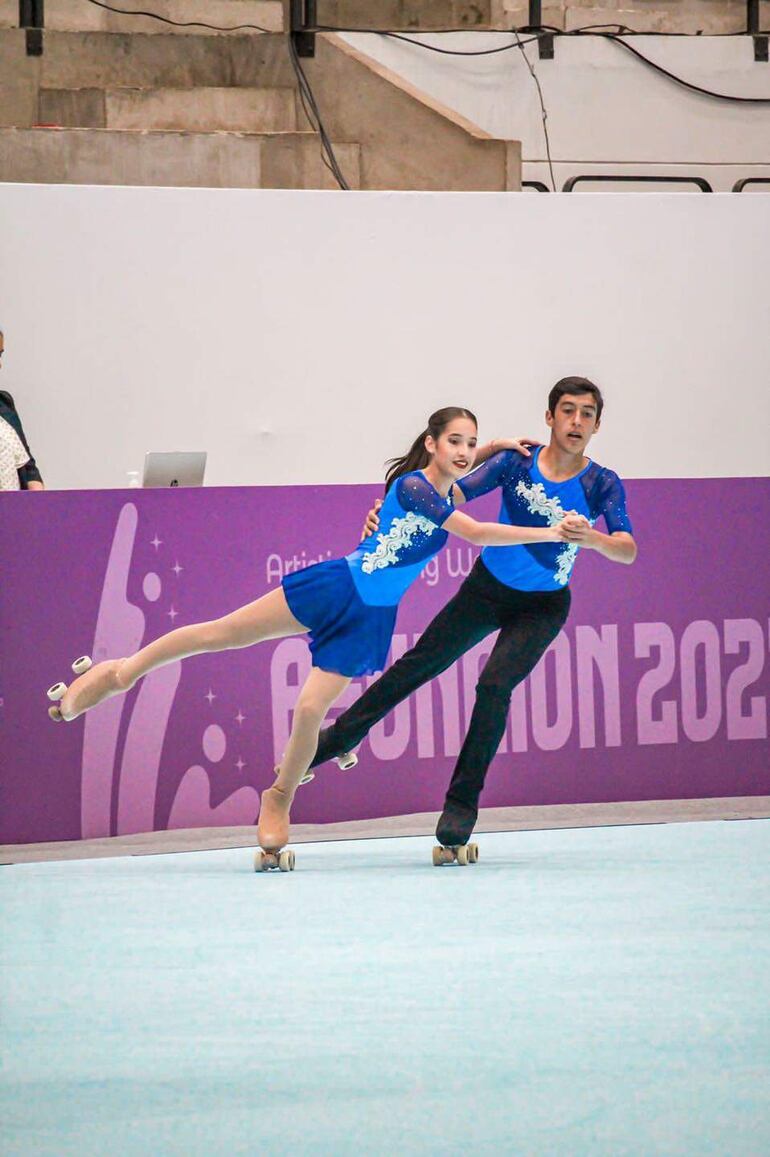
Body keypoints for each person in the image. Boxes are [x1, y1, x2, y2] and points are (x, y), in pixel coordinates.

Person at [46, 407, 573, 865]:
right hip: (337, 585)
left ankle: (278, 796)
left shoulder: (450, 488)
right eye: (452, 441)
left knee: (308, 711)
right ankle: (119, 672)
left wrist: (496, 446)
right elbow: (477, 532)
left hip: (370, 617)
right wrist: (552, 532)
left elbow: (467, 479)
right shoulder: (412, 486)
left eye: (468, 441)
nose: (462, 451)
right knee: (221, 633)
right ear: (430, 444)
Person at [308, 377, 638, 853]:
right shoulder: (514, 464)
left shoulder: (602, 482)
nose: (576, 421)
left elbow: (627, 549)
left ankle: (461, 805)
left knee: (494, 685)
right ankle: (340, 737)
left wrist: (595, 540)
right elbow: (445, 496)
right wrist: (391, 511)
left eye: (587, 414)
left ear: (597, 425)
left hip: (543, 606)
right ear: (549, 418)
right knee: (423, 661)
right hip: (487, 590)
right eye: (567, 411)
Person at [0, 329, 45, 491]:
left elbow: (28, 468)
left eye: (0, 355)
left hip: (12, 511)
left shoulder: (4, 403)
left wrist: (39, 504)